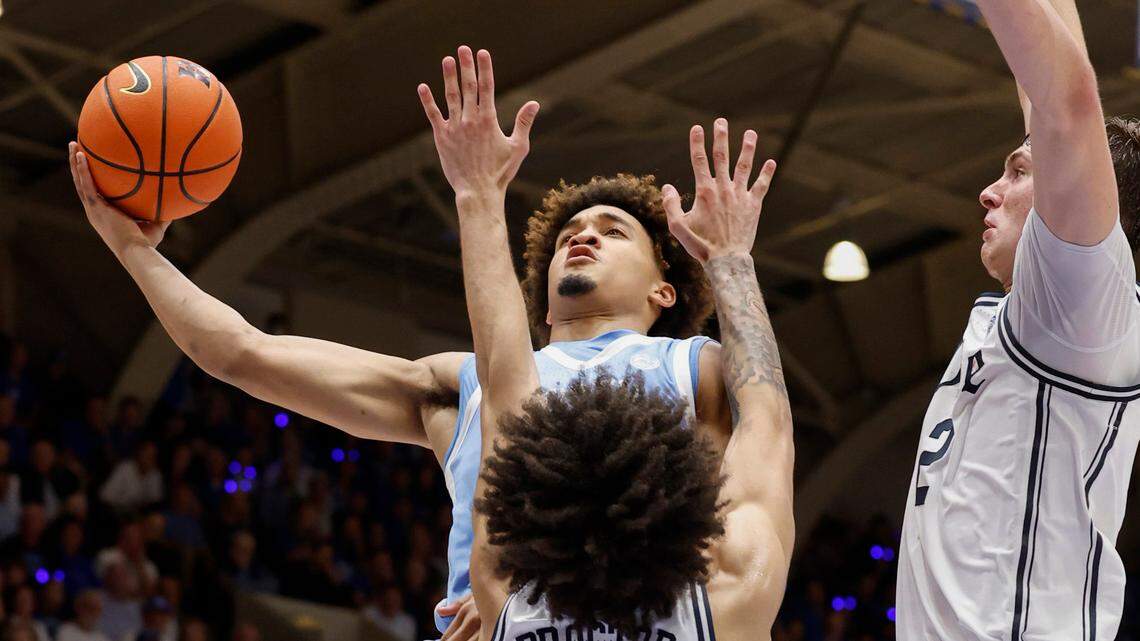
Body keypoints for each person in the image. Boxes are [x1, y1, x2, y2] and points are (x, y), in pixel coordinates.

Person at [67, 46, 737, 638]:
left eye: (614, 232)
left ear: (664, 290)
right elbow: (241, 352)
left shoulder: (697, 369)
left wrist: (528, 596)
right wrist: (131, 249)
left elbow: (731, 540)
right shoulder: (458, 385)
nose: (582, 235)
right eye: (569, 234)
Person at [417, 46, 793, 640]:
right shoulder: (727, 604)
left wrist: (477, 194)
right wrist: (730, 256)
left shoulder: (506, 605)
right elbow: (767, 421)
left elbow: (505, 390)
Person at [896, 1, 1140, 639]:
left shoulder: (1080, 305)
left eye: (1018, 171)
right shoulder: (1046, 313)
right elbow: (1051, 93)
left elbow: (1068, 103)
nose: (988, 190)